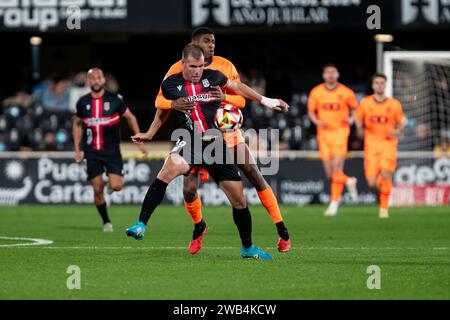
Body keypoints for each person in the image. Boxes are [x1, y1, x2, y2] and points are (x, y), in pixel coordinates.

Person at [126, 44, 289, 260]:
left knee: (239, 200)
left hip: (215, 144)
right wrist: (160, 119)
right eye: (193, 66)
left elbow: (239, 89)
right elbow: (161, 107)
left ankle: (248, 248)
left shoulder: (213, 77)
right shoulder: (171, 83)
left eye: (201, 66)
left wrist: (267, 101)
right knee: (168, 171)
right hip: (189, 141)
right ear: (183, 64)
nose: (197, 71)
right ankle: (141, 224)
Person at [73, 68, 147, 232]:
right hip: (91, 151)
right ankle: (106, 221)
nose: (96, 81)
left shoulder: (115, 100)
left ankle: (111, 186)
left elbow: (131, 117)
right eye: (92, 78)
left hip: (112, 150)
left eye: (98, 78)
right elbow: (77, 124)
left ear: (104, 80)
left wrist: (139, 140)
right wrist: (77, 149)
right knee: (97, 188)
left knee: (117, 186)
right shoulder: (82, 102)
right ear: (88, 81)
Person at [307, 63, 359, 216]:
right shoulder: (316, 92)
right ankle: (349, 180)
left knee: (337, 169)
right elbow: (311, 111)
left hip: (340, 133)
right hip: (323, 134)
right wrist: (316, 121)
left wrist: (351, 119)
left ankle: (334, 205)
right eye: (327, 72)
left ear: (337, 74)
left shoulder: (346, 92)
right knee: (330, 174)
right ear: (324, 75)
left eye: (333, 72)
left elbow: (356, 108)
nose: (330, 75)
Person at [356, 73, 406, 218]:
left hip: (388, 143)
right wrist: (359, 129)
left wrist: (398, 130)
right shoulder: (365, 102)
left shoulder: (394, 104)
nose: (379, 85)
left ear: (385, 85)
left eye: (382, 83)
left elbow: (402, 121)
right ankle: (385, 190)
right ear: (373, 85)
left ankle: (384, 209)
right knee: (371, 182)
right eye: (376, 83)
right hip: (371, 144)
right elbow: (358, 119)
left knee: (386, 173)